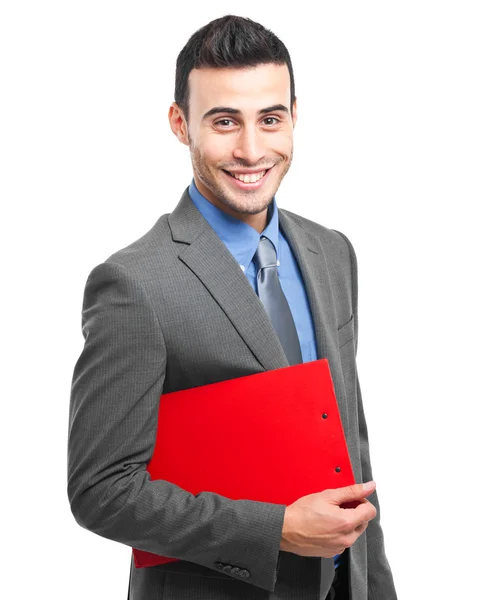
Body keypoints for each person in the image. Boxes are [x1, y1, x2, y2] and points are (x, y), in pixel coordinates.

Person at [67, 14, 397, 600]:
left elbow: (352, 442)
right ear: (180, 124)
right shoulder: (133, 283)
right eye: (224, 122)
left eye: (270, 119)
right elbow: (102, 489)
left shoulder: (331, 253)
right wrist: (276, 530)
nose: (251, 150)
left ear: (294, 116)